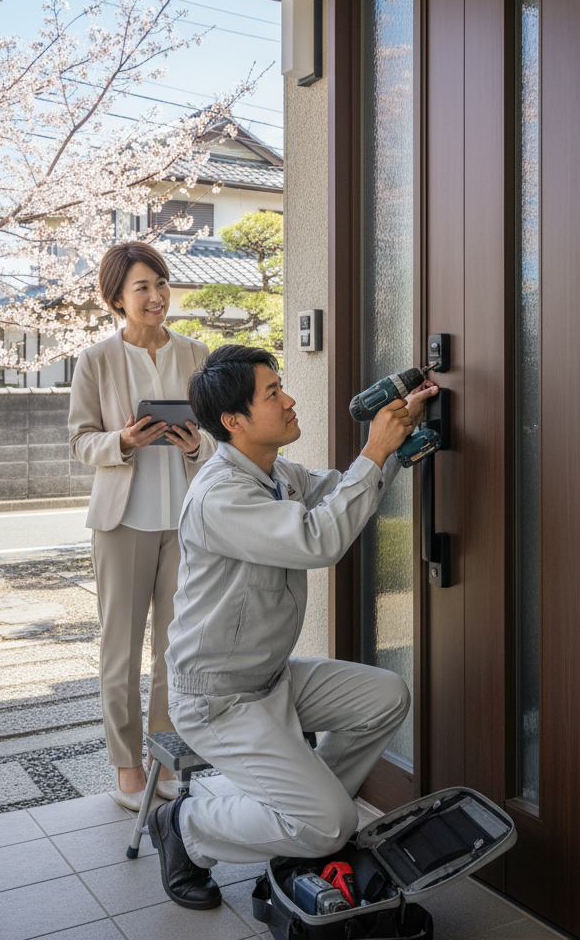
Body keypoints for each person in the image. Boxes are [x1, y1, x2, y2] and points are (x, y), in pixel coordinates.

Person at [147, 344, 439, 910]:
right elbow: (318, 539)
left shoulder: (273, 471)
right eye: (272, 393)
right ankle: (188, 825)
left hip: (270, 679)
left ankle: (303, 814)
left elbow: (337, 493)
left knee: (385, 695)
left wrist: (394, 445)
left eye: (281, 386)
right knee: (333, 825)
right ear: (234, 422)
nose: (290, 399)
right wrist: (376, 451)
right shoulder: (220, 495)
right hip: (220, 699)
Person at [68, 241, 216, 811]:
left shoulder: (198, 354)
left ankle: (164, 754)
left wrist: (197, 443)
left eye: (161, 283)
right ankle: (127, 766)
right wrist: (122, 442)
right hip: (122, 523)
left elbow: (220, 435)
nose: (156, 297)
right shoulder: (96, 360)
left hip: (185, 523)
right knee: (121, 650)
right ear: (116, 299)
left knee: (176, 650)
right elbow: (81, 440)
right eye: (142, 288)